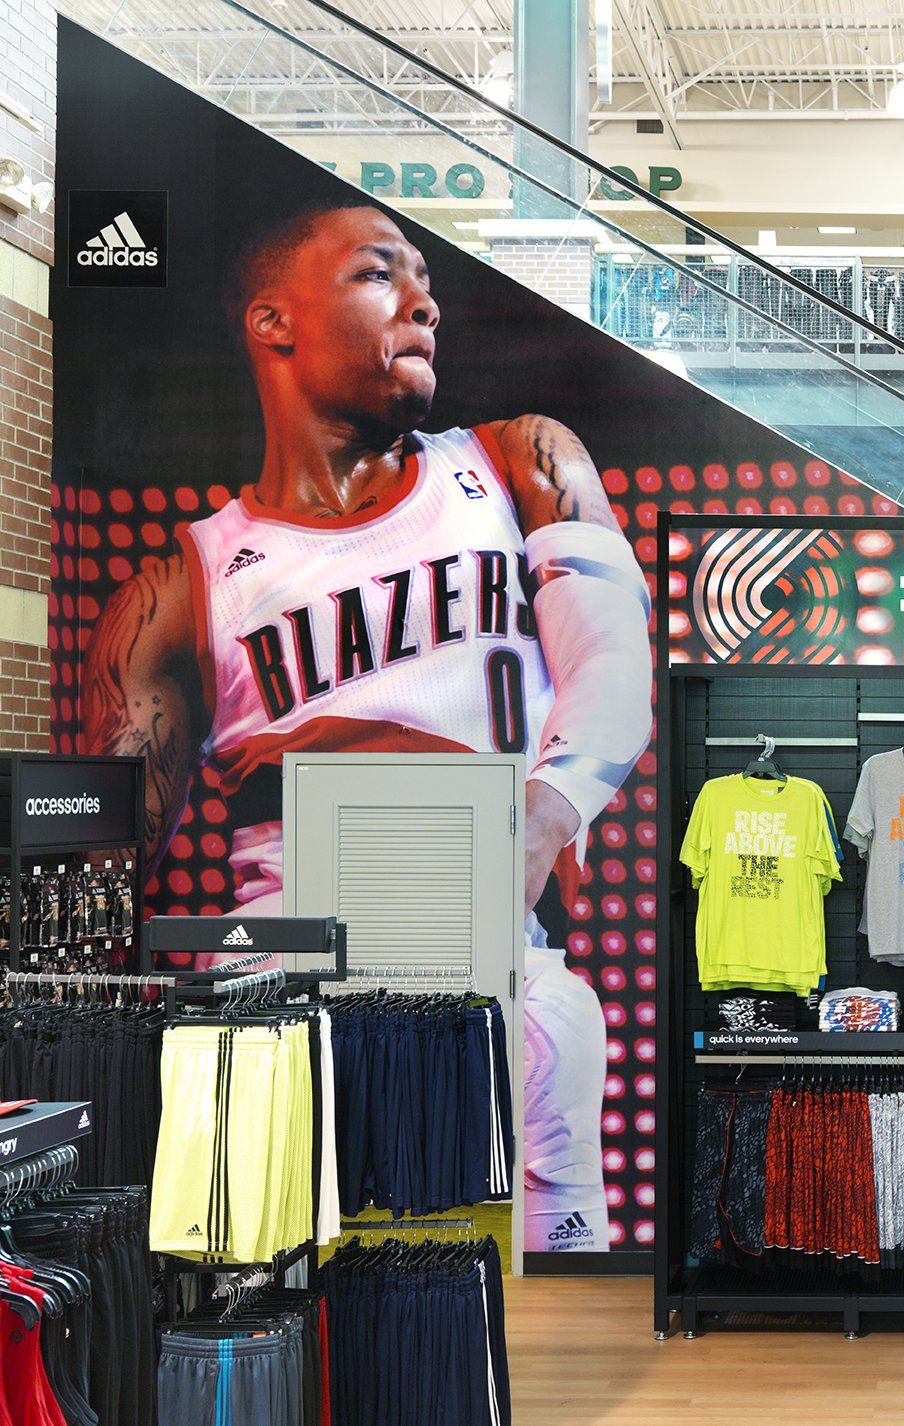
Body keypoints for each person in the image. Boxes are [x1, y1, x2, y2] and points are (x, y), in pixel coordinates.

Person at [80, 201, 651, 1252]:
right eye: (378, 274)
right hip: (287, 976)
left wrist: (545, 814)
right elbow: (100, 867)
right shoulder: (180, 586)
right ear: (274, 320)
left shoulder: (519, 461)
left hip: (491, 955)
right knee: (266, 1283)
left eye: (426, 277)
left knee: (551, 1070)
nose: (424, 301)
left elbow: (615, 663)